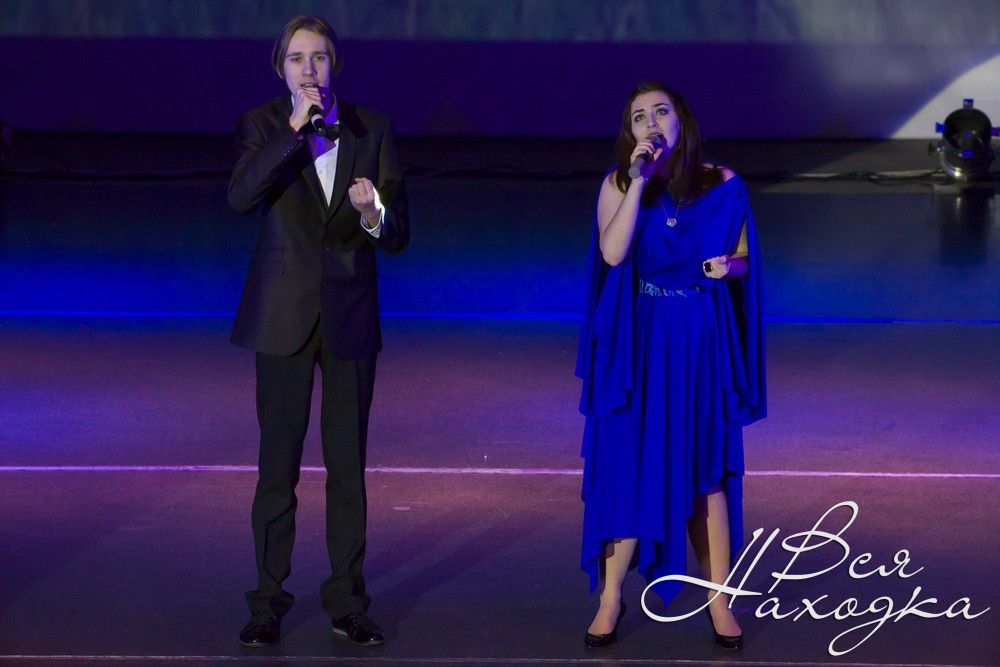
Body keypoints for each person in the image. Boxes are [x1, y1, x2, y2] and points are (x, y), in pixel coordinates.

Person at [228, 15, 409, 648]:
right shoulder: (262, 124)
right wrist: (292, 131)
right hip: (282, 317)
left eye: (320, 57)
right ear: (281, 69)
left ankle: (347, 600)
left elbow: (398, 233)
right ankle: (267, 600)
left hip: (349, 316)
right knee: (277, 465)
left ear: (336, 65)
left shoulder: (372, 128)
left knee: (347, 467)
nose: (309, 69)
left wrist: (371, 213)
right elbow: (241, 197)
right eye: (297, 59)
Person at [575, 81, 766, 650]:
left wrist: (726, 268)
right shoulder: (618, 182)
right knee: (629, 466)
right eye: (639, 117)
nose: (651, 123)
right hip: (639, 340)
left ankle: (719, 600)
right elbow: (613, 253)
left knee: (705, 472)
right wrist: (637, 180)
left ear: (682, 120)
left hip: (698, 338)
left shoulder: (724, 184)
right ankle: (611, 598)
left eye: (661, 112)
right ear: (629, 132)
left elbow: (744, 260)